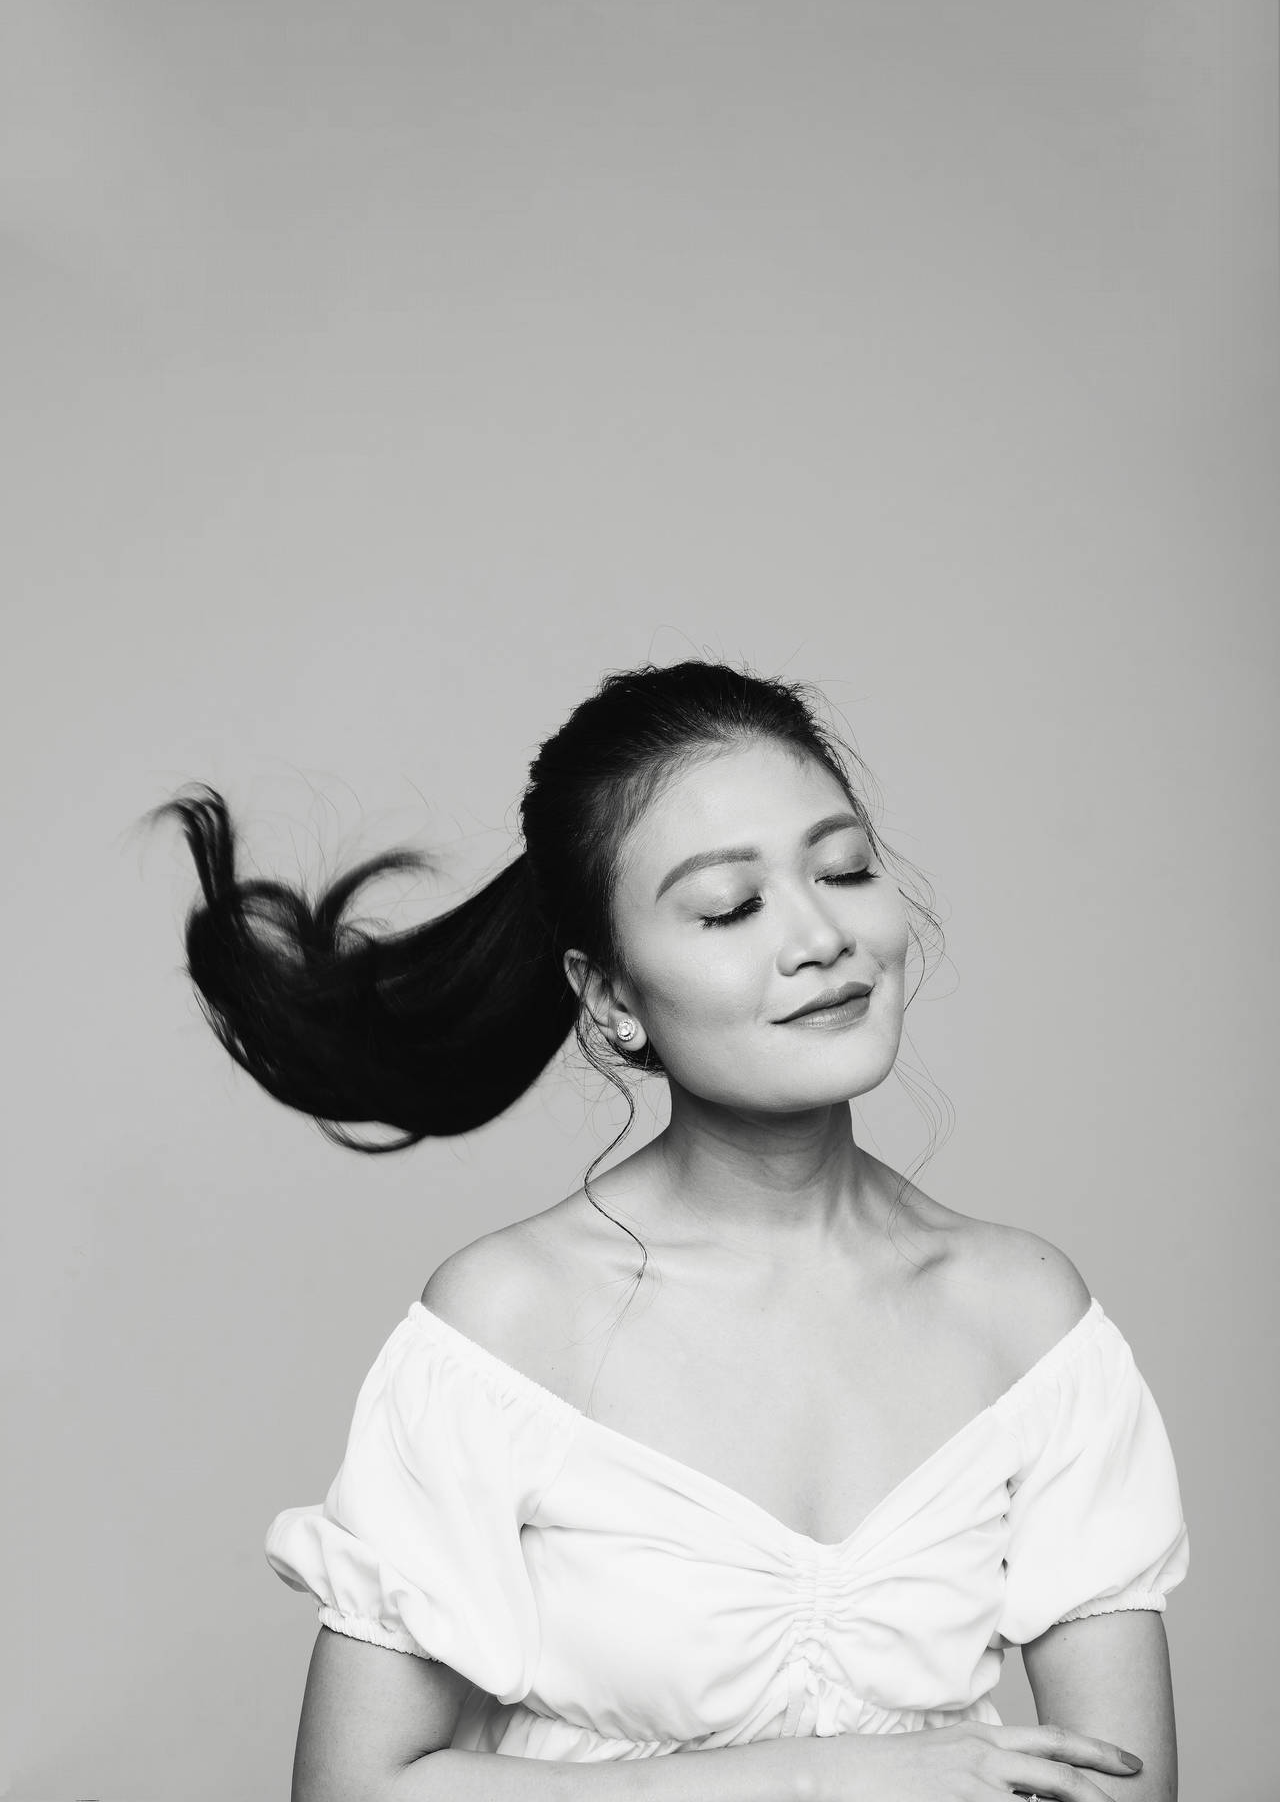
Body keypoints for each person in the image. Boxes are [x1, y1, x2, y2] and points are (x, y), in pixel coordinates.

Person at [156, 659, 1188, 1801]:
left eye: (843, 869)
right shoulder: (507, 1324)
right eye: (728, 907)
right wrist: (816, 1777)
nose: (818, 935)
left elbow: (1120, 1784)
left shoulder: (1027, 1319)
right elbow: (351, 1790)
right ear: (608, 999)